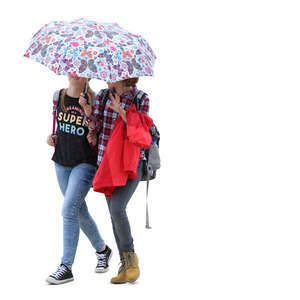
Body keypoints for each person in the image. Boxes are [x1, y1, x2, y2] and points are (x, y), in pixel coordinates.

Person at [79, 77, 150, 284]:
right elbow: (95, 128)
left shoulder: (140, 98)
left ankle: (131, 257)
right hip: (107, 161)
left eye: (114, 78)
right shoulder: (102, 95)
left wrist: (122, 113)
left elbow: (141, 133)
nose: (110, 80)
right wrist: (87, 111)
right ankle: (124, 264)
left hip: (130, 162)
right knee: (113, 213)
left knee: (118, 208)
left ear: (126, 77)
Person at [46, 74, 112, 285]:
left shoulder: (96, 99)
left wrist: (87, 110)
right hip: (61, 160)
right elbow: (59, 127)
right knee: (77, 210)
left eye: (80, 69)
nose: (75, 72)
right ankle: (102, 250)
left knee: (68, 211)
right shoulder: (59, 96)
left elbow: (98, 132)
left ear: (88, 75)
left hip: (85, 162)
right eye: (72, 68)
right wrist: (52, 137)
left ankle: (66, 267)